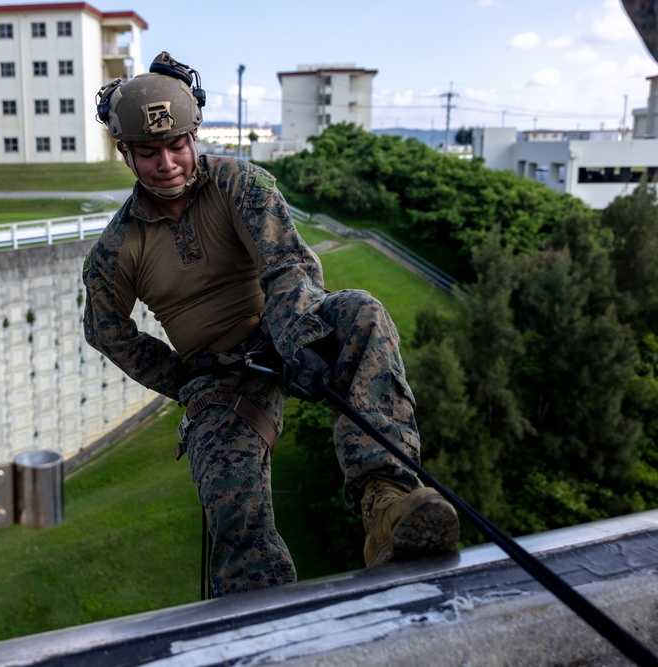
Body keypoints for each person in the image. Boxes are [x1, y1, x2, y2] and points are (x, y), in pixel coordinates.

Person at [82, 52, 460, 598]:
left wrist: (297, 338)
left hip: (288, 329)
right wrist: (184, 380)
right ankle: (257, 609)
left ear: (195, 137)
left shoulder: (240, 184)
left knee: (360, 311)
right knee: (232, 503)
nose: (167, 162)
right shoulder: (117, 250)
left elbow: (287, 265)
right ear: (126, 155)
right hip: (219, 378)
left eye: (178, 145)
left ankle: (387, 504)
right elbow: (107, 330)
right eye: (148, 152)